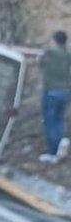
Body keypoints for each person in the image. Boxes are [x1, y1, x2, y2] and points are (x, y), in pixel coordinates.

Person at [39, 31, 71, 164]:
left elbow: (41, 64)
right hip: (65, 92)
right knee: (59, 120)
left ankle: (52, 153)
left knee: (50, 122)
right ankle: (61, 143)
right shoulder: (68, 54)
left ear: (54, 40)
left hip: (51, 91)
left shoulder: (49, 52)